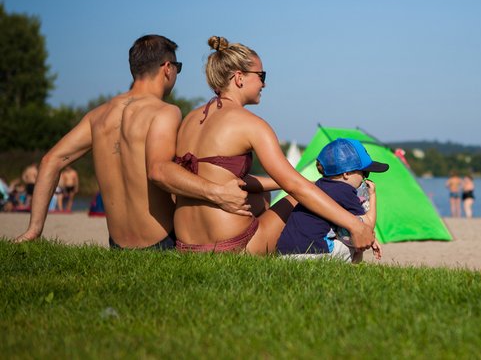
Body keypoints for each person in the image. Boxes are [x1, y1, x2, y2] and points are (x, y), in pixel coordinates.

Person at [15, 34, 249, 249]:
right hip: (161, 242)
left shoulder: (98, 116)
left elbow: (51, 160)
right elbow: (159, 170)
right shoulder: (164, 112)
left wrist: (34, 230)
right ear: (167, 68)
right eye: (178, 67)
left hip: (118, 245)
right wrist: (217, 192)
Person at [172, 36, 375, 254]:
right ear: (239, 78)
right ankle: (326, 248)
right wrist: (355, 224)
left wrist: (278, 183)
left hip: (186, 244)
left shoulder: (190, 120)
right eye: (261, 75)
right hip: (234, 246)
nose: (264, 83)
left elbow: (217, 175)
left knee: (262, 196)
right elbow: (296, 187)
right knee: (301, 196)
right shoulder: (250, 124)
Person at [277, 138, 386, 262]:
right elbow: (367, 227)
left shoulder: (318, 187)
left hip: (285, 253)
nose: (364, 179)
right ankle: (355, 272)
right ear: (347, 173)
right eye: (365, 173)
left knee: (346, 234)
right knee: (356, 243)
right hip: (314, 252)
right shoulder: (344, 190)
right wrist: (372, 195)